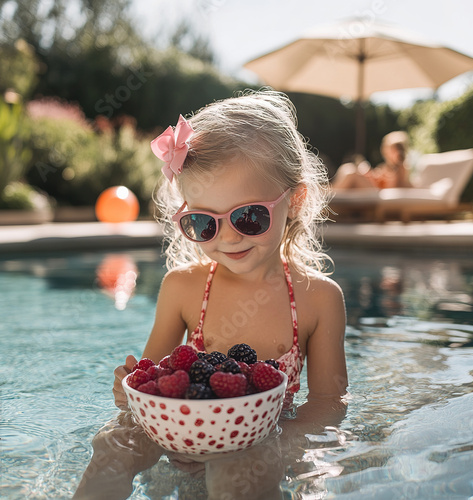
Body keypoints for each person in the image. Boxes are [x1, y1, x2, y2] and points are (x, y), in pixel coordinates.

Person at [73, 90, 348, 500]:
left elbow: (329, 403)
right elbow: (152, 376)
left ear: (295, 200)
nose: (229, 237)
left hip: (264, 436)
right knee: (116, 443)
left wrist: (269, 443)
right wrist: (131, 391)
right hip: (183, 425)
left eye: (249, 216)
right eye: (204, 223)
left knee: (235, 472)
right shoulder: (183, 288)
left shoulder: (319, 299)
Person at [332, 131, 412, 190]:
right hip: (376, 191)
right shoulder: (387, 167)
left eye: (395, 149)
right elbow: (380, 179)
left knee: (352, 173)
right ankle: (329, 191)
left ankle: (329, 195)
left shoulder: (401, 168)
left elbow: (391, 188)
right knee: (347, 168)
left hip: (378, 194)